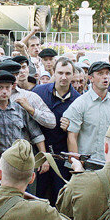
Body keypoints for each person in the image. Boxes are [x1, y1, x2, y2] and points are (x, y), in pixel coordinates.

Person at [33, 58, 80, 204]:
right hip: (39, 154)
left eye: (68, 73)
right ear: (53, 72)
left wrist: (71, 127)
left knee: (60, 196)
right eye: (60, 72)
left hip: (62, 156)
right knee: (37, 196)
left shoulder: (78, 101)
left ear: (73, 75)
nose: (64, 77)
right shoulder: (39, 92)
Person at [64, 61, 110, 160]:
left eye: (107, 73)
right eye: (100, 74)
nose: (105, 77)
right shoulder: (80, 103)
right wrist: (76, 163)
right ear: (90, 78)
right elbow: (72, 137)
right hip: (87, 165)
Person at [0, 70, 47, 170]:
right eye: (0, 87)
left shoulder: (20, 109)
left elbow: (36, 134)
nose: (4, 91)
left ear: (12, 88)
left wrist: (44, 158)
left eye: (7, 87)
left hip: (19, 160)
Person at [0, 60, 57, 129]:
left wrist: (31, 110)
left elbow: (51, 122)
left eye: (17, 75)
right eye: (11, 76)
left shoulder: (29, 96)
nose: (15, 79)